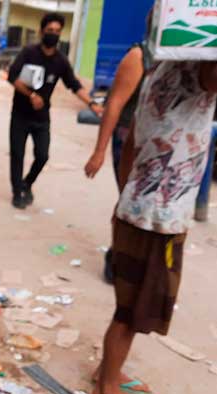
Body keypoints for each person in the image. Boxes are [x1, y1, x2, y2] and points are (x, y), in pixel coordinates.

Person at [90, 0, 217, 394]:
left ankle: (109, 371)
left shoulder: (161, 68)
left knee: (130, 302)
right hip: (154, 218)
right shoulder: (193, 70)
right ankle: (106, 386)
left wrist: (125, 202)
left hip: (141, 211)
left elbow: (136, 140)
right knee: (135, 309)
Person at [7, 13, 102, 210]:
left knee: (42, 156)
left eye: (57, 32)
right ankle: (17, 193)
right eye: (50, 31)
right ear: (42, 32)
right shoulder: (29, 53)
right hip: (20, 114)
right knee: (17, 154)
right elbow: (12, 76)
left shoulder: (60, 61)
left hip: (42, 118)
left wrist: (92, 104)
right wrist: (31, 95)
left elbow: (74, 85)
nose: (53, 35)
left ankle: (27, 183)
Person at [84, 41, 148, 283]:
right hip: (130, 139)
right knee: (129, 201)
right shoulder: (139, 56)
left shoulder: (184, 57)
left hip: (157, 143)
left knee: (147, 208)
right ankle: (116, 256)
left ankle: (134, 258)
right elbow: (115, 104)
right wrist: (99, 151)